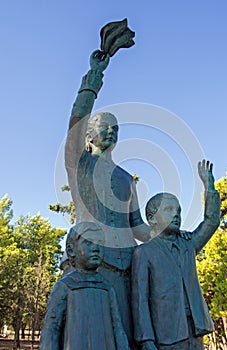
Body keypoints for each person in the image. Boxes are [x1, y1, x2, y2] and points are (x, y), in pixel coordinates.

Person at [65, 49, 151, 346]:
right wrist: (94, 78)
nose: (112, 132)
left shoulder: (128, 178)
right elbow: (76, 119)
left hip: (128, 267)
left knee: (127, 334)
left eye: (116, 129)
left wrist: (170, 237)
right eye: (105, 127)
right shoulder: (80, 165)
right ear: (90, 135)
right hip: (92, 265)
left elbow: (138, 226)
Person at [131, 160, 221, 350]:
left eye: (178, 210)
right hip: (166, 334)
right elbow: (140, 300)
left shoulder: (188, 243)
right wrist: (145, 339)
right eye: (169, 209)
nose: (176, 214)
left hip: (195, 329)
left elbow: (211, 222)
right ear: (152, 218)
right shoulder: (144, 252)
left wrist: (209, 186)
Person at [39, 222, 130, 350]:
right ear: (71, 250)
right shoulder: (65, 286)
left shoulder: (107, 287)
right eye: (88, 242)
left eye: (100, 243)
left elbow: (117, 328)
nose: (95, 248)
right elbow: (51, 329)